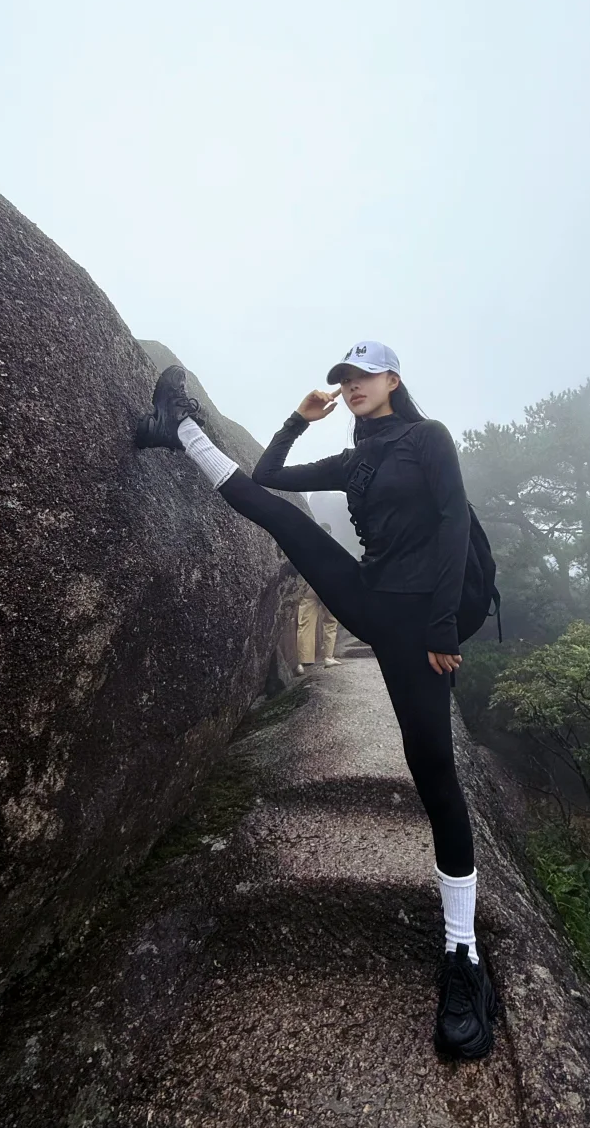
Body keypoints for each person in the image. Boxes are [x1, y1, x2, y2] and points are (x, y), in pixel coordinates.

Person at [134, 340, 497, 1061]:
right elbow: (268, 475)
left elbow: (454, 522)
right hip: (370, 599)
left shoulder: (428, 439)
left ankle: (464, 955)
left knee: (435, 777)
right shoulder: (354, 460)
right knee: (275, 512)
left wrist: (442, 625)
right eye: (345, 378)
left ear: (394, 379)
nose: (353, 385)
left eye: (364, 375)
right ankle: (179, 426)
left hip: (423, 623)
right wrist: (299, 419)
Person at [295, 527, 341, 675]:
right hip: (329, 586)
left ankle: (302, 663)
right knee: (330, 622)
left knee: (305, 624)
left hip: (309, 586)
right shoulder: (332, 546)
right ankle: (328, 657)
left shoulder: (306, 545)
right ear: (329, 533)